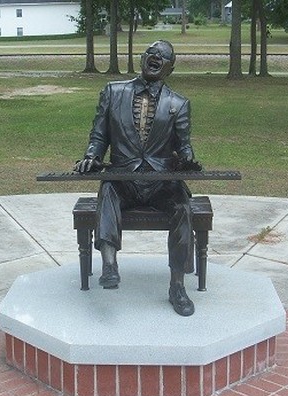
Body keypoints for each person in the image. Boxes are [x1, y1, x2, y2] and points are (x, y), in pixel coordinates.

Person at [74, 40, 203, 317]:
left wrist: (187, 160)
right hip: (124, 179)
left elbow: (184, 145)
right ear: (142, 58)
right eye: (151, 53)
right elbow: (99, 135)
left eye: (162, 56)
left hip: (161, 182)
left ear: (170, 68)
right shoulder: (113, 92)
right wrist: (92, 156)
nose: (155, 58)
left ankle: (177, 286)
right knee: (108, 189)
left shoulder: (179, 103)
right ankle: (110, 265)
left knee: (182, 206)